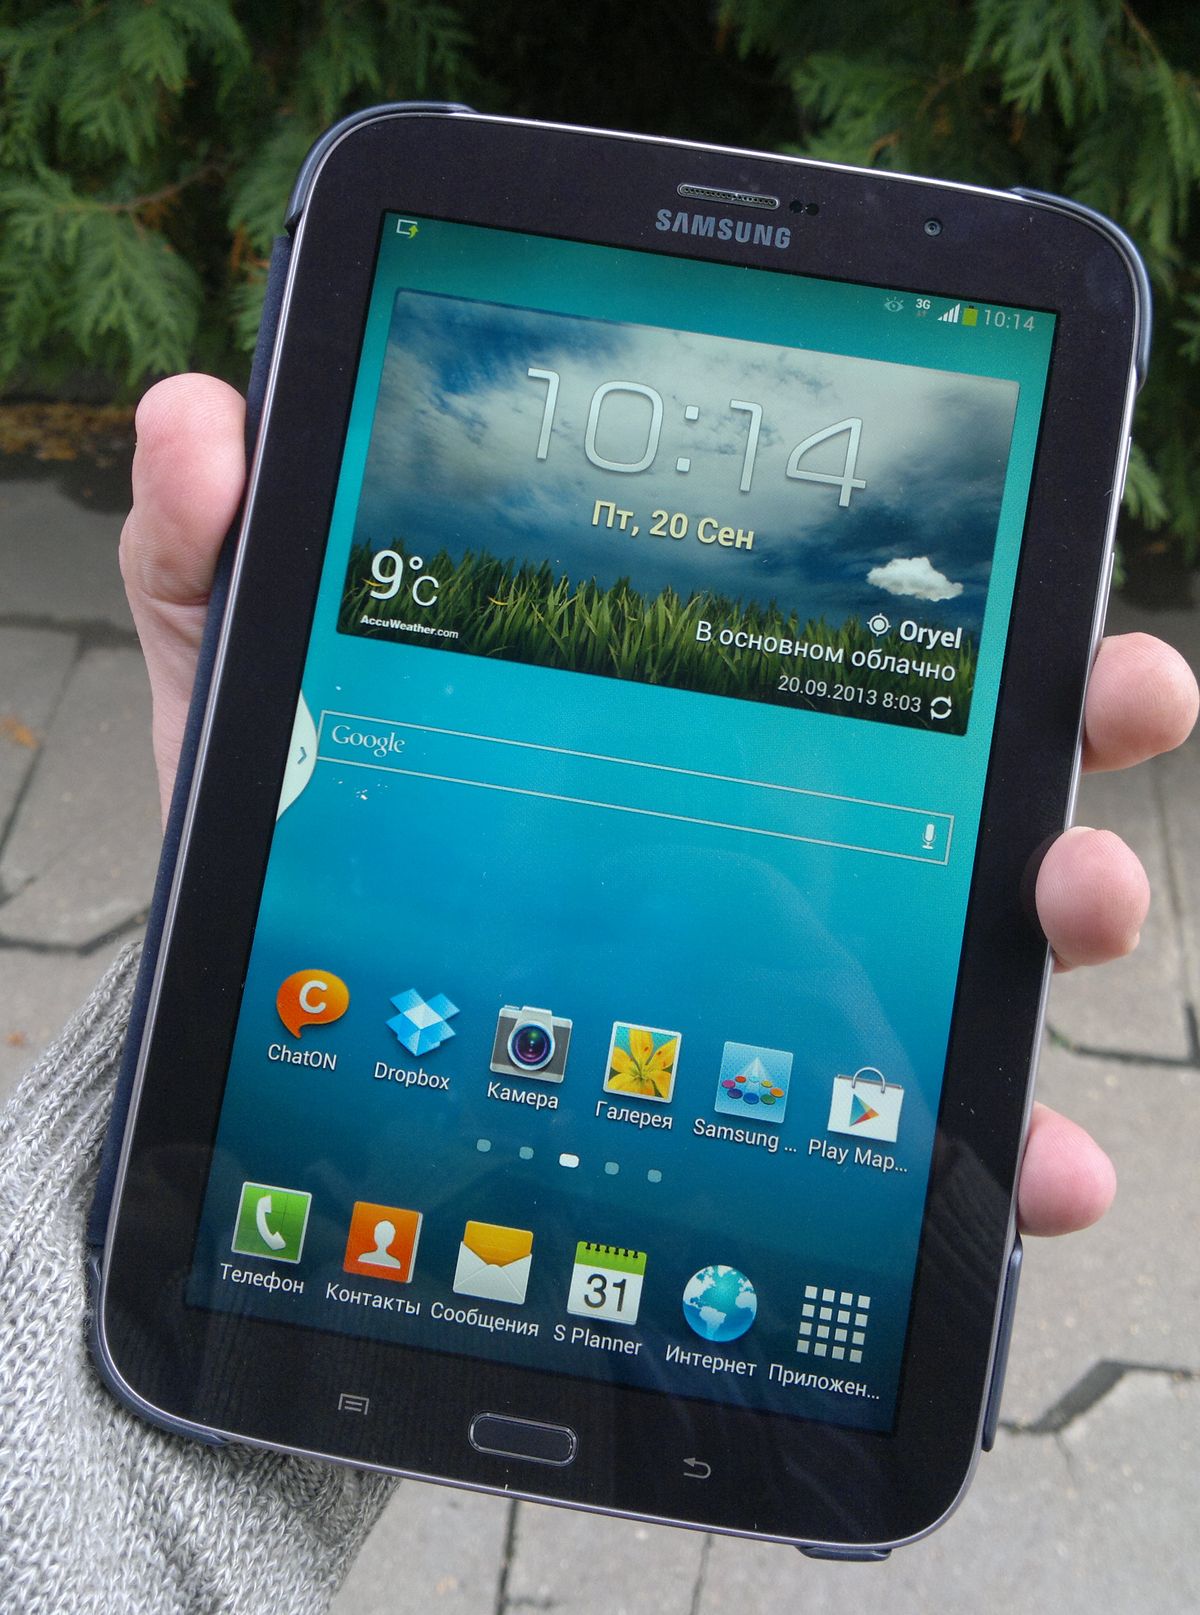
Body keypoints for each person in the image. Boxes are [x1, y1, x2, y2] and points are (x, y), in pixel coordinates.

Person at [2, 373, 1197, 1613]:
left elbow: (834, 1465)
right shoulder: (409, 1103)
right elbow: (831, 1469)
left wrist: (904, 1179)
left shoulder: (774, 1123)